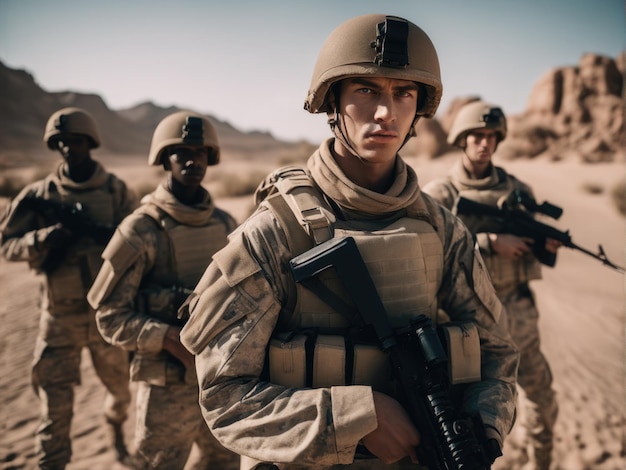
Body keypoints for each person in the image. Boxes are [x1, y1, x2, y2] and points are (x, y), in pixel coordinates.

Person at [179, 14, 519, 470]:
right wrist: (356, 419)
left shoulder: (443, 230)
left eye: (403, 94)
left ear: (419, 108)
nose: (386, 112)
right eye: (366, 90)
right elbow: (224, 398)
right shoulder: (272, 233)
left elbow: (497, 355)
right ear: (331, 102)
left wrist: (481, 430)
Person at [87, 110, 240, 469]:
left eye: (201, 152)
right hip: (166, 390)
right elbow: (109, 317)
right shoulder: (140, 230)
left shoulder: (225, 224)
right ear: (164, 159)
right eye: (181, 153)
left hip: (222, 380)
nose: (192, 160)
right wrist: (168, 337)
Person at [422, 99, 559, 469]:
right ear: (462, 139)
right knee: (464, 417)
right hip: (464, 323)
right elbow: (429, 252)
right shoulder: (442, 193)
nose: (484, 144)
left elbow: (531, 241)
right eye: (476, 136)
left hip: (518, 316)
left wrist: (543, 245)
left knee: (542, 403)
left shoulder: (518, 190)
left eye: (491, 137)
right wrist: (490, 244)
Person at [0, 107, 136, 469]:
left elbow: (141, 243)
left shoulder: (115, 191)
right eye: (60, 143)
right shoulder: (38, 195)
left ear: (89, 143)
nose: (67, 149)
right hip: (58, 319)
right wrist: (43, 239)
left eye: (75, 141)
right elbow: (7, 244)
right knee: (53, 411)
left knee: (121, 394)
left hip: (107, 317)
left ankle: (114, 425)